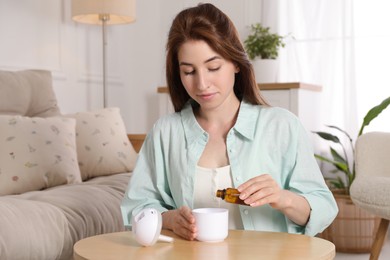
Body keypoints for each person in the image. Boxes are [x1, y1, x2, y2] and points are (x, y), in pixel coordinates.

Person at [121, 3, 338, 241]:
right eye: (189, 72)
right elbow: (136, 208)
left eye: (213, 67)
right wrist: (169, 219)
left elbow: (324, 208)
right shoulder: (165, 132)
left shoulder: (282, 126)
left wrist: (282, 197)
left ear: (235, 63)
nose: (202, 84)